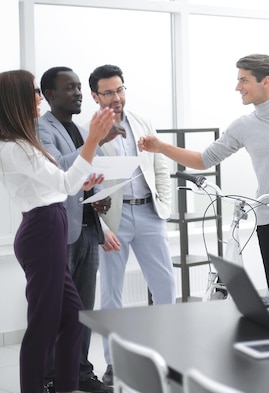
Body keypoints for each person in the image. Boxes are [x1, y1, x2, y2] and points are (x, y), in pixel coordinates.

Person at [138, 54, 269, 296]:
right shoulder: (243, 126)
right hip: (267, 223)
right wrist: (161, 147)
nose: (238, 87)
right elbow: (202, 160)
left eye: (244, 80)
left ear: (265, 81)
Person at [0, 69, 114, 393]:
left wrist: (85, 180)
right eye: (35, 91)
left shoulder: (23, 142)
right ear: (17, 99)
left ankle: (65, 386)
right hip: (42, 229)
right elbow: (64, 181)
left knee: (73, 315)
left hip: (48, 224)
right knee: (43, 325)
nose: (39, 97)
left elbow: (63, 185)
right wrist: (93, 139)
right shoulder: (15, 147)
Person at [88, 64, 176, 385]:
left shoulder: (143, 122)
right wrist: (101, 226)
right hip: (114, 218)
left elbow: (160, 166)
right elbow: (87, 183)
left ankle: (167, 355)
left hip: (150, 214)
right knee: (112, 292)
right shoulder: (90, 132)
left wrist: (163, 205)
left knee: (165, 285)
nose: (116, 97)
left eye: (120, 89)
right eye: (109, 92)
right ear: (95, 96)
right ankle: (114, 364)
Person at [38, 66, 121, 393]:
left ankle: (81, 372)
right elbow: (58, 169)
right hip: (60, 230)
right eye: (69, 88)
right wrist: (94, 140)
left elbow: (88, 175)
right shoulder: (41, 128)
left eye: (78, 88)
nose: (77, 94)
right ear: (50, 95)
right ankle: (50, 377)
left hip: (87, 226)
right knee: (57, 309)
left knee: (83, 310)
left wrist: (98, 199)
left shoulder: (79, 129)